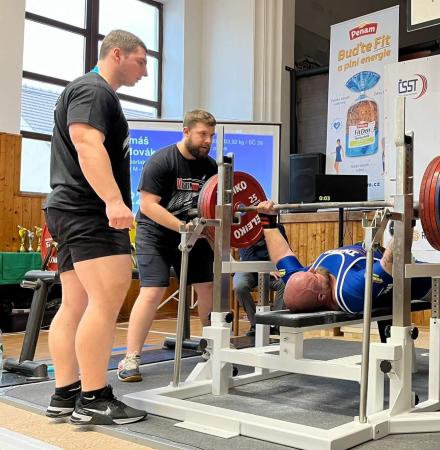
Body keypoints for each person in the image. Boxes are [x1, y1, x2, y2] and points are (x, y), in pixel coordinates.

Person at [44, 29, 148, 425]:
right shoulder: (94, 90)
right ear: (117, 54)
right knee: (103, 302)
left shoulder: (88, 90)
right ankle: (93, 399)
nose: (144, 72)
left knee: (75, 303)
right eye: (141, 62)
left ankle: (65, 393)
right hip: (88, 210)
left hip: (69, 209)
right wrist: (114, 201)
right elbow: (86, 142)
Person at [255, 201, 440, 375]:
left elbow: (282, 254)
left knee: (382, 284)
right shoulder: (350, 290)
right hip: (395, 274)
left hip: (374, 255)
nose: (312, 269)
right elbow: (390, 262)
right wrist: (407, 220)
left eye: (307, 271)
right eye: (313, 276)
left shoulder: (299, 280)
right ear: (322, 296)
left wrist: (267, 220)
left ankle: (394, 350)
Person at [117, 110, 218, 383]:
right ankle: (131, 358)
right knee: (153, 291)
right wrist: (181, 227)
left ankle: (213, 349)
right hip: (156, 233)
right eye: (202, 134)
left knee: (207, 287)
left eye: (211, 135)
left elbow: (213, 205)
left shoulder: (210, 167)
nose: (208, 141)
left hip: (192, 233)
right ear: (186, 132)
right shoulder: (161, 161)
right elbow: (148, 205)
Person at [234, 234, 287, 336]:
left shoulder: (277, 229)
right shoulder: (248, 230)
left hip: (271, 269)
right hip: (248, 268)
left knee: (285, 283)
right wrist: (265, 269)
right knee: (240, 287)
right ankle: (255, 324)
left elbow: (284, 252)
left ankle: (276, 326)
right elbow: (247, 257)